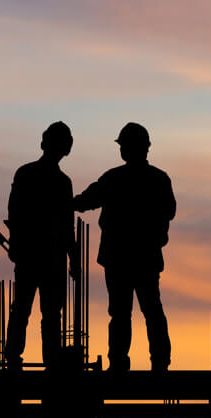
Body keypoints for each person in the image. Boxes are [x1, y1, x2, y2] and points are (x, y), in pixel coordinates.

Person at [75, 122, 176, 373]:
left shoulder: (114, 179)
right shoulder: (158, 179)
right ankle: (159, 363)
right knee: (150, 309)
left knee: (122, 313)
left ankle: (120, 364)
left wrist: (63, 203)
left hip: (120, 257)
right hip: (143, 256)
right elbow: (170, 211)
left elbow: (85, 201)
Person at [5, 121, 79, 370]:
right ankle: (43, 361)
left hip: (42, 256)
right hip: (42, 256)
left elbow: (67, 227)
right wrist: (73, 259)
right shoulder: (52, 180)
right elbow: (15, 212)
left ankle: (24, 358)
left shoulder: (32, 175)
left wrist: (73, 258)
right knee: (37, 312)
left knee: (32, 311)